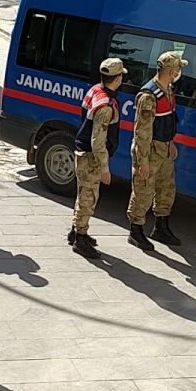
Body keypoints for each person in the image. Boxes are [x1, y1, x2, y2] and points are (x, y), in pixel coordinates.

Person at [127, 51, 186, 251]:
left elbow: (167, 120)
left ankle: (161, 227)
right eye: (178, 69)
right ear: (171, 71)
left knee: (166, 189)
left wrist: (171, 143)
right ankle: (135, 230)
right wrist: (142, 160)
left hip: (165, 149)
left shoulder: (168, 89)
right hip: (150, 152)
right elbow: (142, 131)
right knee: (143, 191)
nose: (180, 72)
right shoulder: (148, 96)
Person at [69, 58, 125, 259]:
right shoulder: (106, 106)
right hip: (91, 157)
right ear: (117, 78)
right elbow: (98, 140)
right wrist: (104, 167)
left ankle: (75, 231)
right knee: (88, 198)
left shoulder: (95, 90)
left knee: (82, 193)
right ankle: (80, 239)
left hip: (82, 151)